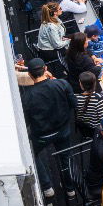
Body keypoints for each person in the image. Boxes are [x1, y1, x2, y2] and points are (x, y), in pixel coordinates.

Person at [19, 57, 76, 198]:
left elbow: (26, 121)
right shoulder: (62, 84)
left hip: (41, 135)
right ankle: (70, 189)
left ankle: (47, 187)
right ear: (45, 69)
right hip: (62, 130)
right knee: (66, 158)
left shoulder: (26, 97)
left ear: (30, 75)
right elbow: (73, 104)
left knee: (32, 155)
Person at [75, 71, 103, 136]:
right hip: (96, 128)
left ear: (81, 85)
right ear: (94, 84)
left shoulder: (75, 97)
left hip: (83, 126)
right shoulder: (99, 98)